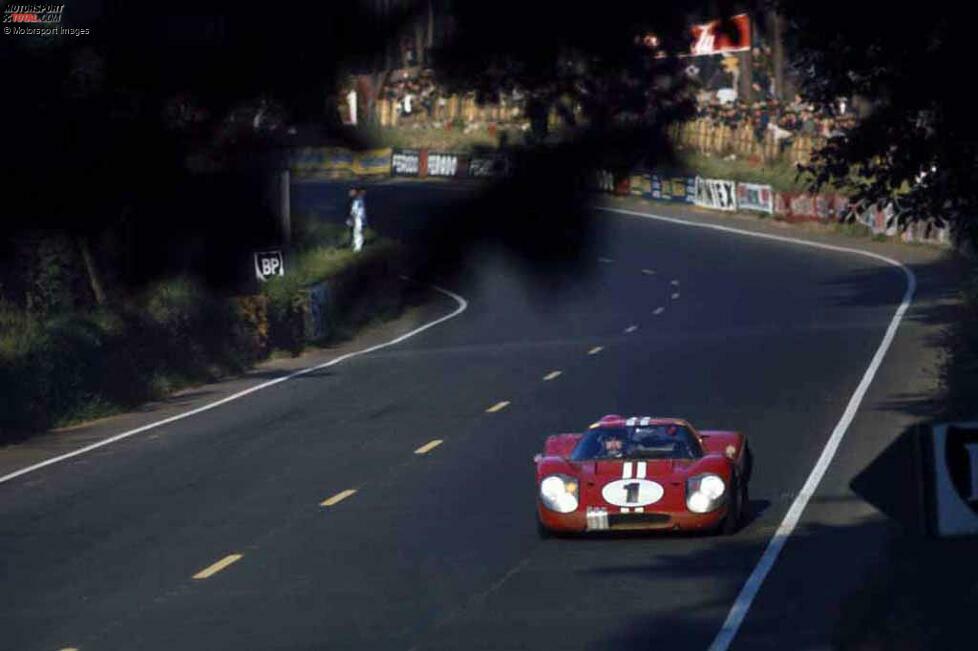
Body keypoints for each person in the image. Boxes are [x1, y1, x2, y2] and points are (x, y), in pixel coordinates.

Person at [346, 187, 367, 253]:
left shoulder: (358, 200)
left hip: (358, 218)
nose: (350, 193)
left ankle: (358, 247)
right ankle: (355, 244)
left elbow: (357, 211)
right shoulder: (355, 200)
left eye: (352, 192)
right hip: (356, 217)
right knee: (354, 231)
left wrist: (354, 217)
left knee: (358, 232)